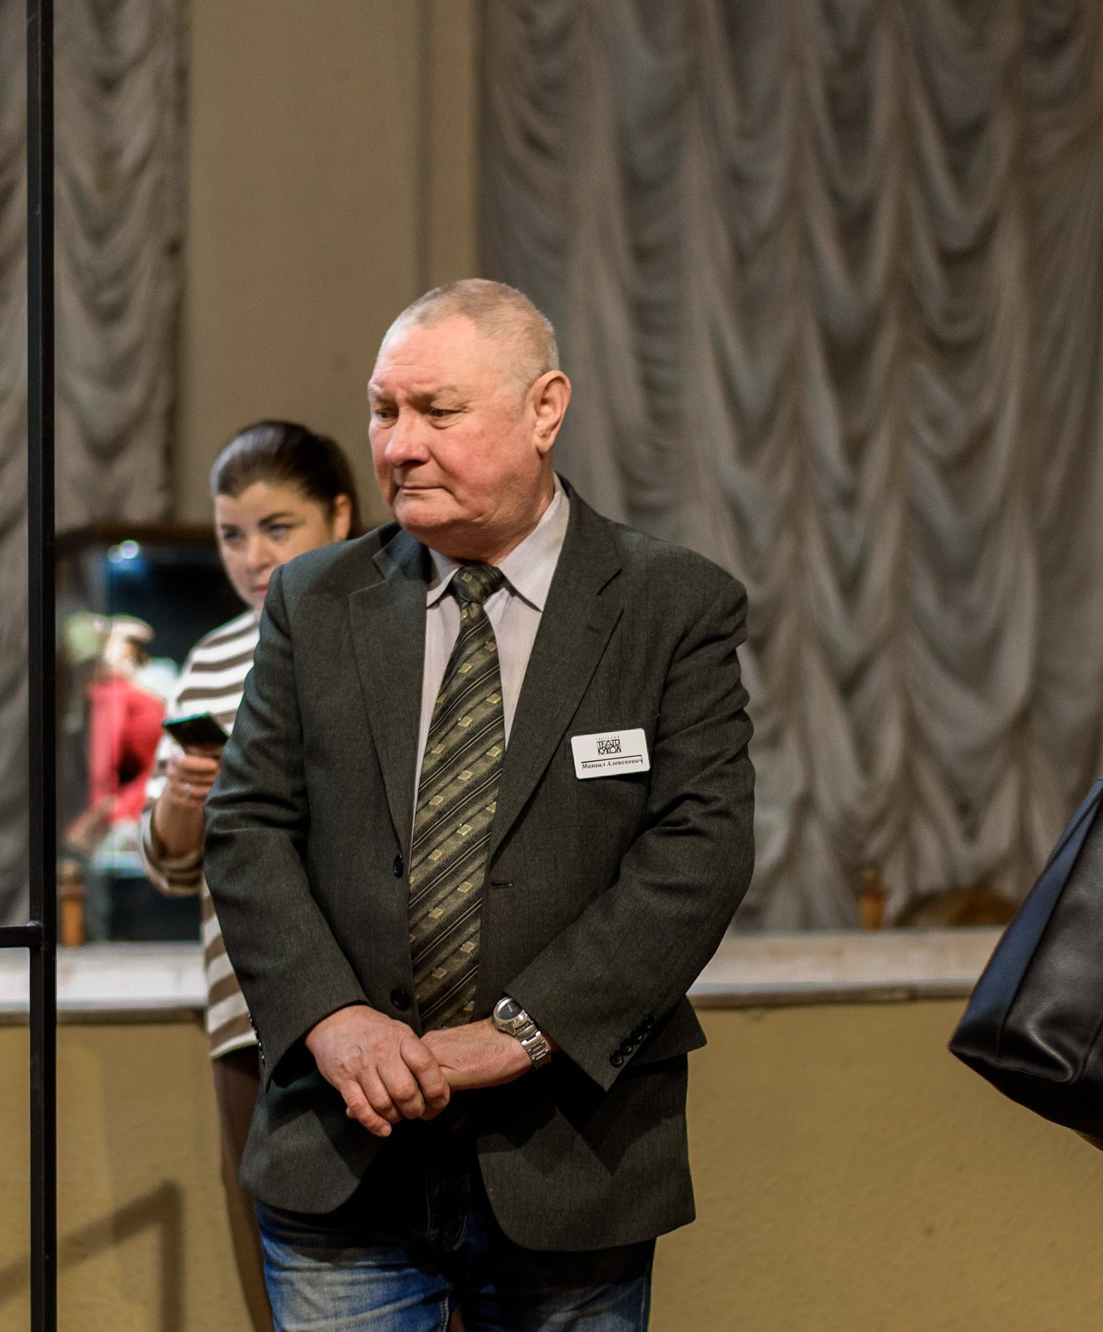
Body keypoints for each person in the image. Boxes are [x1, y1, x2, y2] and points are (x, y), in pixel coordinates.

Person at [205, 279, 755, 1330]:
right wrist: (332, 1019)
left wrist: (521, 1032)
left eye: (436, 412)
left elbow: (698, 851)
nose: (397, 446)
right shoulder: (312, 602)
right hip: (341, 1154)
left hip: (569, 1155)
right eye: (382, 410)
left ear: (544, 408)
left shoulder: (668, 605)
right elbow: (246, 827)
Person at [139, 419, 356, 1329]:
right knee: (274, 1266)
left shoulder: (376, 626)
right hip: (241, 1005)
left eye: (279, 527)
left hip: (367, 990)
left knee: (395, 1262)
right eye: (233, 534)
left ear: (338, 517)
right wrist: (190, 793)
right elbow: (169, 864)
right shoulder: (211, 657)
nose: (253, 555)